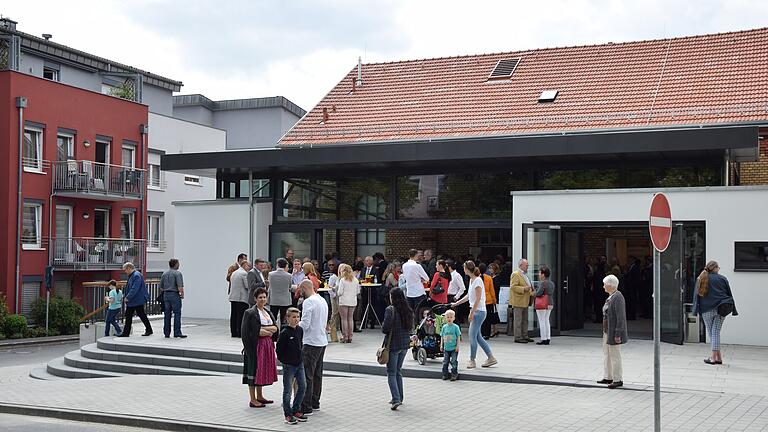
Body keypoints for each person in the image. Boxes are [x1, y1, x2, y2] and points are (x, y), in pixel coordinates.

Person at [451, 261, 497, 369]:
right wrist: (457, 303)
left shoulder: (477, 281)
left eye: (464, 268)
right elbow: (469, 296)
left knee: (472, 336)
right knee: (478, 336)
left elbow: (478, 299)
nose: (463, 270)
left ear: (467, 269)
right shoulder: (473, 280)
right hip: (477, 311)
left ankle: (472, 360)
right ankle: (490, 357)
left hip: (478, 311)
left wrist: (472, 313)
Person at [693, 260, 737, 365]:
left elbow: (696, 296)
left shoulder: (701, 278)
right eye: (718, 267)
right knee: (715, 332)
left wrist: (695, 310)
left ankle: (713, 358)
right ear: (715, 268)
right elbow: (729, 294)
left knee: (712, 333)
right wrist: (734, 308)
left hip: (706, 309)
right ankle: (718, 358)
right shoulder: (722, 278)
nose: (719, 269)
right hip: (721, 309)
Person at [241, 288, 279, 407]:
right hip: (255, 346)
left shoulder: (268, 311)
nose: (262, 299)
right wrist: (261, 331)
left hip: (267, 345)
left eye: (264, 297)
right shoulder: (250, 313)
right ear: (255, 299)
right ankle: (252, 399)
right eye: (260, 297)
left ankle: (260, 396)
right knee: (253, 370)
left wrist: (264, 330)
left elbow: (275, 328)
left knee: (261, 370)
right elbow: (246, 332)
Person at [298, 280, 328, 415]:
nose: (300, 293)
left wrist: (293, 327)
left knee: (307, 375)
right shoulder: (322, 300)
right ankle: (315, 402)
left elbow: (305, 324)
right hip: (322, 341)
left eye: (301, 290)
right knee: (317, 374)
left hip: (310, 342)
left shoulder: (308, 302)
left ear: (305, 288)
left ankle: (306, 406)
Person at [382, 288, 413, 410]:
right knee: (398, 370)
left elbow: (385, 328)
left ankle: (396, 399)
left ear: (393, 297)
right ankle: (400, 396)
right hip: (405, 345)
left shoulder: (390, 310)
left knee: (391, 372)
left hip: (393, 345)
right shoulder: (408, 310)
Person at [275, 307, 308, 424]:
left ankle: (296, 410)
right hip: (289, 365)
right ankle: (287, 414)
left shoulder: (300, 330)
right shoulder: (284, 333)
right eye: (293, 317)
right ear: (287, 318)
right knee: (288, 390)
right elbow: (279, 350)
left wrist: (300, 358)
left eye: (298, 317)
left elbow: (300, 344)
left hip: (299, 364)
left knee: (303, 386)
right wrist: (285, 361)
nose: (296, 319)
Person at [597, 274, 628, 389]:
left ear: (610, 285)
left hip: (613, 332)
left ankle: (617, 379)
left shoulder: (618, 297)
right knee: (607, 354)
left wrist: (618, 333)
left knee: (615, 355)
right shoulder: (611, 296)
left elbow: (621, 317)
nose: (603, 286)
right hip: (607, 331)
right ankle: (608, 376)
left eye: (605, 284)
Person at [118, 262, 153, 337]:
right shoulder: (134, 275)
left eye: (125, 270)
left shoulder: (136, 276)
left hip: (136, 300)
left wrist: (127, 297)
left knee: (132, 315)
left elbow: (134, 288)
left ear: (129, 268)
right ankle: (148, 329)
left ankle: (126, 333)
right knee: (139, 315)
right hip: (136, 300)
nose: (125, 272)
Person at [508, 259, 534, 343]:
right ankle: (518, 337)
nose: (527, 267)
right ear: (521, 265)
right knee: (518, 320)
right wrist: (523, 289)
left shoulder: (525, 275)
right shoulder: (515, 274)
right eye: (526, 265)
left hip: (525, 300)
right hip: (518, 301)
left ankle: (524, 335)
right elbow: (513, 287)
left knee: (525, 320)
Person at [160, 258, 187, 339]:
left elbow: (161, 287)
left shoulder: (164, 274)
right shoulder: (178, 274)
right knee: (177, 314)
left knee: (167, 314)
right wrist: (182, 294)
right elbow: (180, 286)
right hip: (174, 295)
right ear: (175, 264)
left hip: (166, 295)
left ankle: (166, 333)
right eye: (178, 263)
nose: (179, 265)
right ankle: (177, 332)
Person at [336, 263, 361, 343]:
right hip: (353, 301)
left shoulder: (342, 280)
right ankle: (350, 336)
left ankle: (345, 336)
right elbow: (358, 292)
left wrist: (335, 291)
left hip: (344, 301)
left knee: (344, 319)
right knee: (350, 319)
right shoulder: (356, 280)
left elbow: (340, 292)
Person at [402, 249, 430, 316]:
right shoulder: (417, 266)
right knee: (420, 312)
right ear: (416, 256)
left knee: (410, 312)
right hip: (419, 292)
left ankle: (411, 325)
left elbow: (406, 277)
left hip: (409, 292)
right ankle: (418, 326)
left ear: (409, 255)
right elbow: (427, 278)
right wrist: (421, 279)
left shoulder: (404, 265)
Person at [229, 260, 251, 338]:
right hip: (241, 298)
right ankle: (240, 333)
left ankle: (233, 332)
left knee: (234, 315)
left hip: (233, 297)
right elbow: (247, 286)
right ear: (244, 265)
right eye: (248, 266)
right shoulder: (244, 274)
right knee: (240, 316)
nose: (249, 268)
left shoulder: (234, 273)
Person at [268, 258, 293, 324]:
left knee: (273, 319)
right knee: (284, 320)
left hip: (274, 299)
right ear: (285, 266)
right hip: (285, 300)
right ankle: (283, 333)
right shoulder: (289, 275)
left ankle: (274, 333)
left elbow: (270, 285)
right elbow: (290, 287)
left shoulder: (270, 274)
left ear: (277, 265)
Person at [535, 265, 555, 345]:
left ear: (543, 274)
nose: (539, 275)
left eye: (540, 273)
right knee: (547, 320)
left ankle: (543, 338)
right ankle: (548, 338)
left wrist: (534, 293)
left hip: (542, 303)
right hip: (550, 303)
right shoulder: (551, 283)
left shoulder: (543, 283)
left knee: (542, 321)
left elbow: (539, 293)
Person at [440, 309, 461, 381]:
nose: (449, 319)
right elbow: (442, 336)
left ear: (454, 318)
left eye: (451, 317)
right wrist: (441, 345)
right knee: (445, 361)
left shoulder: (456, 327)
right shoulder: (444, 327)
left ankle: (454, 374)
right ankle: (445, 374)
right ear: (445, 318)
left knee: (454, 361)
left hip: (454, 348)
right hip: (446, 348)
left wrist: (457, 346)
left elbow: (458, 337)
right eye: (448, 317)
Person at [479, 263, 499, 339]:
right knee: (487, 318)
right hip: (488, 300)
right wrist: (494, 300)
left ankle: (481, 332)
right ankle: (487, 333)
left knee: (480, 318)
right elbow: (492, 290)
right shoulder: (489, 278)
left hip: (480, 300)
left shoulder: (477, 278)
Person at [326, 261, 341, 343]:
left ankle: (336, 328)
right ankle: (332, 331)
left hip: (340, 297)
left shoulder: (339, 277)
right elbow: (330, 288)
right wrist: (334, 296)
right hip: (335, 297)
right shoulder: (333, 277)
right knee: (334, 314)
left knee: (338, 314)